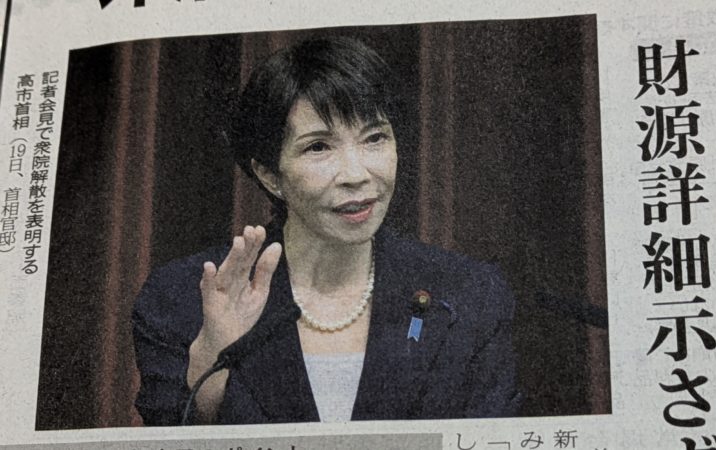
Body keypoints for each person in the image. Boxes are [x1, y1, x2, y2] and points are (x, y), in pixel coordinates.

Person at [132, 36, 522, 426]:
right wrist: (209, 371)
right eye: (318, 147)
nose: (356, 175)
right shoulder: (181, 299)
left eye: (374, 138)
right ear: (269, 175)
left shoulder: (470, 294)